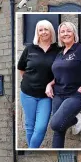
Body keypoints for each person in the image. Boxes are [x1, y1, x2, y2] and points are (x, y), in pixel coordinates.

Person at [46, 21, 81, 148]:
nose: (65, 34)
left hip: (76, 94)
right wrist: (49, 84)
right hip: (58, 94)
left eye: (68, 31)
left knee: (55, 124)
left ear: (74, 33)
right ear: (59, 35)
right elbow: (58, 75)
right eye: (62, 32)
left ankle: (76, 119)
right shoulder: (60, 54)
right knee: (58, 130)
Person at [17, 20, 60, 148]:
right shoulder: (30, 48)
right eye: (40, 30)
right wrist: (30, 81)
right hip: (28, 93)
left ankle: (31, 150)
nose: (43, 32)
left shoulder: (58, 50)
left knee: (41, 127)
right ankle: (32, 154)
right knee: (29, 126)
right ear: (37, 32)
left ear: (51, 31)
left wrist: (50, 83)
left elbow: (61, 72)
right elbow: (21, 68)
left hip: (46, 96)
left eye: (46, 29)